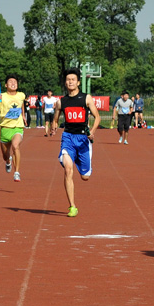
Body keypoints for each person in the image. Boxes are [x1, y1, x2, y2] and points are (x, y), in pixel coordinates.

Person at [53, 68, 101, 217]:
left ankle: (85, 168)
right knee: (68, 169)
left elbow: (97, 117)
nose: (70, 82)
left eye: (73, 79)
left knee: (85, 177)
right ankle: (72, 206)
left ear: (78, 82)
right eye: (68, 80)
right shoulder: (62, 101)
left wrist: (92, 131)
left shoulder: (86, 98)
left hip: (83, 140)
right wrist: (54, 125)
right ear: (65, 83)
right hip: (68, 137)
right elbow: (55, 119)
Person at [0, 75, 25, 182]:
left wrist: (23, 115)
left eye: (15, 82)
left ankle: (17, 172)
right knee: (5, 155)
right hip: (5, 129)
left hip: (17, 127)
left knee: (16, 146)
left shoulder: (21, 95)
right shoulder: (1, 97)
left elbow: (21, 104)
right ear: (6, 85)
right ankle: (8, 161)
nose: (13, 83)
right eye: (10, 82)